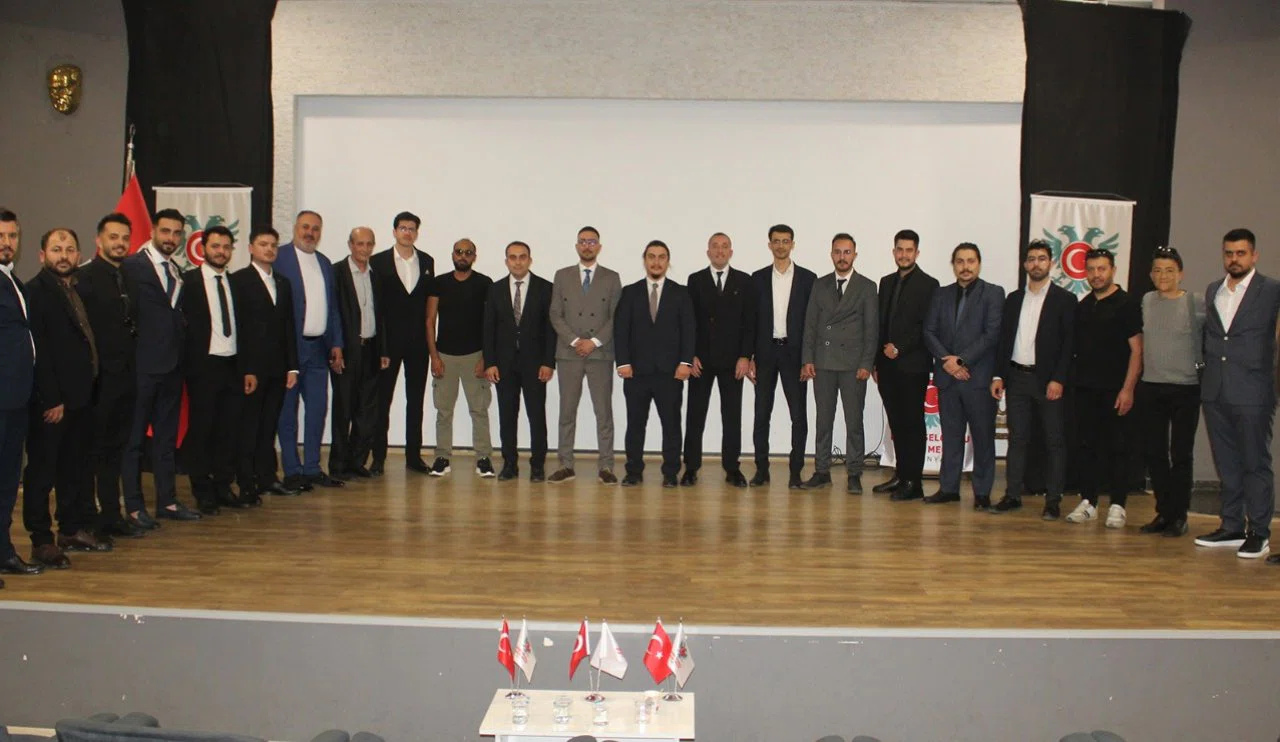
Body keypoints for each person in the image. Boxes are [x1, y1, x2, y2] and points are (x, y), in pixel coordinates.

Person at [1194, 229, 1280, 560]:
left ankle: (1259, 532)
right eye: (1229, 253)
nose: (1234, 259)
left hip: (1253, 390)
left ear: (1254, 255)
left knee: (1254, 462)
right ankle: (1231, 526)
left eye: (1241, 253)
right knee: (1227, 462)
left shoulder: (1270, 290)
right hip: (1216, 389)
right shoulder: (1214, 289)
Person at [23, 228, 105, 568]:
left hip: (80, 397)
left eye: (70, 249)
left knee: (74, 468)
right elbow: (38, 351)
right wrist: (51, 398)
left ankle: (69, 530)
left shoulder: (77, 289)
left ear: (78, 255)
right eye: (56, 249)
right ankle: (41, 540)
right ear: (42, 255)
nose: (64, 255)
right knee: (42, 473)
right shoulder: (35, 292)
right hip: (52, 402)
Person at [121, 208, 197, 524]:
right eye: (165, 231)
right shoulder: (132, 266)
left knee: (166, 440)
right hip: (142, 367)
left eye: (177, 233)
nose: (171, 238)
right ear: (153, 230)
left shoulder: (177, 270)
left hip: (172, 368)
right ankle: (134, 506)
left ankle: (167, 501)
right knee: (134, 440)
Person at [990, 240, 1076, 518]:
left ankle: (1053, 500)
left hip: (1048, 381)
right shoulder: (1014, 299)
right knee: (1017, 439)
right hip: (1017, 377)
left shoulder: (1064, 300)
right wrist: (999, 375)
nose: (1036, 263)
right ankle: (1012, 494)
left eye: (1041, 258)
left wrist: (1059, 379)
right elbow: (1004, 340)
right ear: (1025, 264)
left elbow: (1069, 345)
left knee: (1054, 441)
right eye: (1031, 259)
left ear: (1051, 263)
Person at [1063, 249, 1143, 528]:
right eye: (1091, 269)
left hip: (1116, 390)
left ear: (1112, 270)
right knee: (1087, 446)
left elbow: (1137, 350)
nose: (1096, 275)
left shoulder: (1127, 304)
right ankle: (1089, 502)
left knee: (1118, 447)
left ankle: (1118, 505)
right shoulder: (1084, 305)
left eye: (1102, 269)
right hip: (1086, 389)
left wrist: (1128, 389)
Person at [922, 242, 1004, 509]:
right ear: (953, 265)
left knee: (983, 439)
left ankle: (982, 493)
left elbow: (992, 334)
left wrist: (961, 360)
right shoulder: (941, 294)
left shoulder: (993, 293)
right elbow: (929, 331)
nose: (965, 267)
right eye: (960, 261)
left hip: (978, 379)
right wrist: (947, 361)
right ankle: (949, 488)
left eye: (970, 261)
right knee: (951, 437)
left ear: (978, 264)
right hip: (948, 379)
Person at [76, 213, 143, 539]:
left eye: (124, 238)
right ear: (98, 240)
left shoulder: (129, 275)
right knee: (94, 451)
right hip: (98, 381)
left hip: (126, 378)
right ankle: (89, 519)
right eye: (113, 237)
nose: (119, 243)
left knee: (116, 449)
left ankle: (112, 515)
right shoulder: (84, 278)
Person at [801, 233, 878, 494]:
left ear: (855, 255)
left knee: (854, 422)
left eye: (847, 252)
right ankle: (822, 470)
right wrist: (807, 359)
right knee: (823, 421)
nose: (842, 257)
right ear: (831, 254)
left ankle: (854, 472)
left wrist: (867, 363)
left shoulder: (867, 287)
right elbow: (810, 325)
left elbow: (871, 330)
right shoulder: (820, 284)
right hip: (823, 363)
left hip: (853, 365)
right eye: (837, 252)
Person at [614, 240, 695, 487]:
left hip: (670, 372)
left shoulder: (681, 293)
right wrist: (623, 362)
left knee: (671, 426)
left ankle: (670, 472)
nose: (656, 262)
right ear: (645, 260)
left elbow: (689, 330)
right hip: (636, 372)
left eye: (661, 257)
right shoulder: (630, 292)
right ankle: (633, 471)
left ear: (668, 262)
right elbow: (621, 330)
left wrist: (685, 362)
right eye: (651, 257)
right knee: (635, 425)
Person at [275, 210, 345, 491]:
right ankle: (292, 470)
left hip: (318, 350)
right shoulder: (279, 258)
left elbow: (333, 307)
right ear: (295, 228)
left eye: (315, 229)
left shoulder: (324, 263)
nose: (310, 233)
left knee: (317, 410)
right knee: (287, 413)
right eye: (305, 227)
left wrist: (337, 343)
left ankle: (313, 468)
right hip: (289, 350)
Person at [547, 226, 623, 484]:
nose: (587, 246)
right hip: (569, 354)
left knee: (604, 412)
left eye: (592, 242)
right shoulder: (562, 276)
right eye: (583, 241)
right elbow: (555, 313)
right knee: (566, 412)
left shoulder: (612, 278)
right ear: (576, 246)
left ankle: (606, 466)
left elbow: (616, 316)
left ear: (599, 247)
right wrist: (576, 340)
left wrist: (594, 342)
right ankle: (565, 464)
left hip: (600, 354)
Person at [180, 226, 247, 515]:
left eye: (226, 247)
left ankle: (223, 486)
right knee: (202, 430)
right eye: (215, 246)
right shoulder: (188, 283)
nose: (221, 252)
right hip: (203, 367)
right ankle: (202, 490)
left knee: (228, 430)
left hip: (233, 365)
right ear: (203, 248)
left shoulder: (236, 283)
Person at [681, 232, 756, 488]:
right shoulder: (695, 280)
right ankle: (691, 467)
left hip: (733, 361)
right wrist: (689, 355)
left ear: (731, 252)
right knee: (695, 416)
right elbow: (688, 321)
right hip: (701, 361)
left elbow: (749, 323)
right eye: (715, 246)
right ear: (708, 252)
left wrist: (745, 356)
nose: (720, 251)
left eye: (724, 247)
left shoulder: (744, 281)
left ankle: (732, 468)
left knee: (732, 417)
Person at [230, 227, 299, 504]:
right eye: (263, 244)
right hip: (252, 369)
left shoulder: (283, 282)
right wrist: (246, 368)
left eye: (273, 245)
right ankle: (246, 482)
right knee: (249, 426)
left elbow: (288, 326)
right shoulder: (239, 281)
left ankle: (268, 477)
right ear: (250, 248)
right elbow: (239, 329)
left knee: (269, 425)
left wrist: (292, 366)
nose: (269, 249)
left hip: (278, 367)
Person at [1136, 247, 1202, 537]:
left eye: (1170, 270)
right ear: (1151, 274)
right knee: (1154, 453)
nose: (1163, 276)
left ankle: (1179, 515)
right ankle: (1163, 512)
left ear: (1181, 274)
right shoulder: (1147, 301)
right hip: (1152, 386)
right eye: (1158, 270)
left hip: (1186, 388)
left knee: (1181, 454)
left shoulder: (1195, 303)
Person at [748, 224, 817, 489]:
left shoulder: (808, 279)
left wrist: (808, 358)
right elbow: (751, 322)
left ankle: (795, 472)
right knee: (761, 414)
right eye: (776, 241)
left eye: (785, 241)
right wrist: (749, 356)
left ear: (792, 244)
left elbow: (812, 324)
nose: (780, 246)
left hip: (794, 354)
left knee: (798, 416)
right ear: (769, 245)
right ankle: (761, 470)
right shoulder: (757, 279)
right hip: (765, 353)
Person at [874, 229, 939, 501]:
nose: (904, 255)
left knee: (912, 424)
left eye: (909, 250)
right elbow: (880, 323)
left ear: (917, 253)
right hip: (886, 367)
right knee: (896, 423)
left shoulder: (930, 284)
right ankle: (901, 475)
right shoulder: (886, 282)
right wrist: (876, 361)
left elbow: (926, 327)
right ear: (894, 252)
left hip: (913, 366)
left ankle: (914, 482)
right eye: (899, 250)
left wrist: (899, 348)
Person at [482, 241, 556, 481]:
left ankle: (537, 465)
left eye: (522, 257)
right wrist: (490, 362)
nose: (518, 261)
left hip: (535, 365)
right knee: (507, 416)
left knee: (537, 416)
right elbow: (488, 329)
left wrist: (548, 362)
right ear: (506, 261)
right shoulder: (495, 289)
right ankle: (510, 464)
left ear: (530, 260)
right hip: (503, 365)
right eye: (512, 257)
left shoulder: (545, 288)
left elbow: (551, 329)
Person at [370, 211, 434, 475]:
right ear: (394, 231)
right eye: (403, 228)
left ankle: (413, 457)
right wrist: (381, 346)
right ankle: (378, 458)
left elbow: (428, 305)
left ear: (417, 233)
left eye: (412, 228)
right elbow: (376, 308)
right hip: (388, 345)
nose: (408, 232)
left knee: (415, 401)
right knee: (382, 401)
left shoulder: (427, 261)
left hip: (418, 344)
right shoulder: (378, 262)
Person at [426, 238, 495, 477]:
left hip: (475, 356)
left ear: (474, 256)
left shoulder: (485, 283)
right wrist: (434, 356)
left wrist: (486, 357)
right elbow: (429, 320)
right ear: (452, 255)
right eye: (459, 252)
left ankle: (484, 458)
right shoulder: (439, 283)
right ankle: (442, 457)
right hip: (445, 356)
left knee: (479, 410)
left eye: (468, 252)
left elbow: (490, 323)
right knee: (444, 411)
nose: (463, 256)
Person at [0, 208, 42, 585]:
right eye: (1, 236)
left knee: (8, 479)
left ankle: (4, 552)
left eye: (12, 236)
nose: (7, 243)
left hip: (15, 398)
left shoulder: (13, 280)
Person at [330, 227, 389, 478]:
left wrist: (383, 350)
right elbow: (332, 313)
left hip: (371, 350)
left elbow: (381, 315)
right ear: (350, 245)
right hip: (346, 352)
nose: (365, 249)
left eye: (369, 244)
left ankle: (356, 462)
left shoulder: (374, 275)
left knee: (366, 413)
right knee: (343, 410)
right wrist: (336, 348)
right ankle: (338, 466)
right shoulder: (336, 273)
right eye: (360, 243)